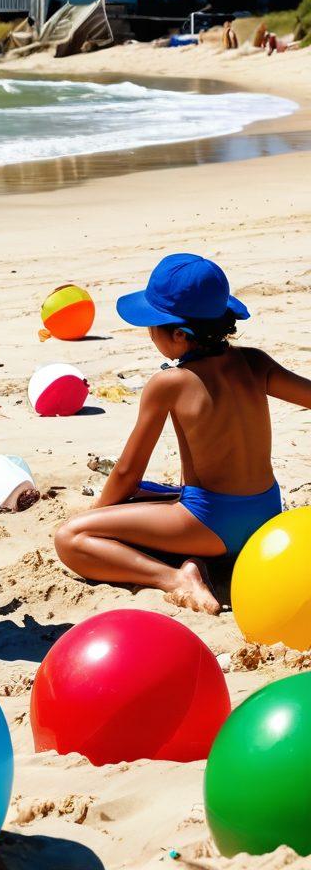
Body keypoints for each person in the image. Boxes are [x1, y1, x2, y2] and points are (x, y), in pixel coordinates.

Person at [54, 253, 311, 614]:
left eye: (152, 324)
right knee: (153, 496)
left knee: (72, 537)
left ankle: (175, 578)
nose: (149, 332)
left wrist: (97, 517)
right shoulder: (255, 363)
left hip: (211, 521)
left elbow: (127, 474)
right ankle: (197, 558)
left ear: (177, 334)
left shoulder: (169, 383)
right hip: (266, 513)